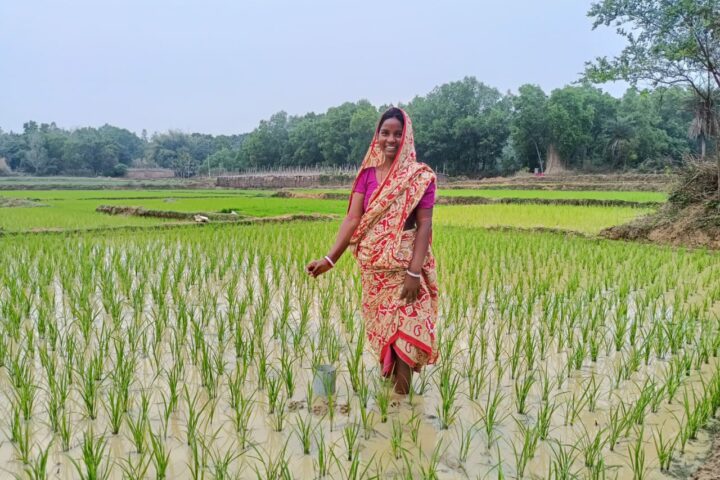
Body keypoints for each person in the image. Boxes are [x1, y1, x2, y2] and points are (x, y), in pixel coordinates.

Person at [306, 107, 438, 395]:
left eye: (397, 134)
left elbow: (424, 226)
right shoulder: (367, 176)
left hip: (405, 268)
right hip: (375, 271)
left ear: (407, 138)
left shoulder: (419, 178)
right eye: (385, 133)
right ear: (377, 137)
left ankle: (402, 407)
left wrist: (415, 272)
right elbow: (353, 218)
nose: (391, 139)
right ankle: (392, 403)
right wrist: (329, 259)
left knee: (407, 336)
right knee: (387, 337)